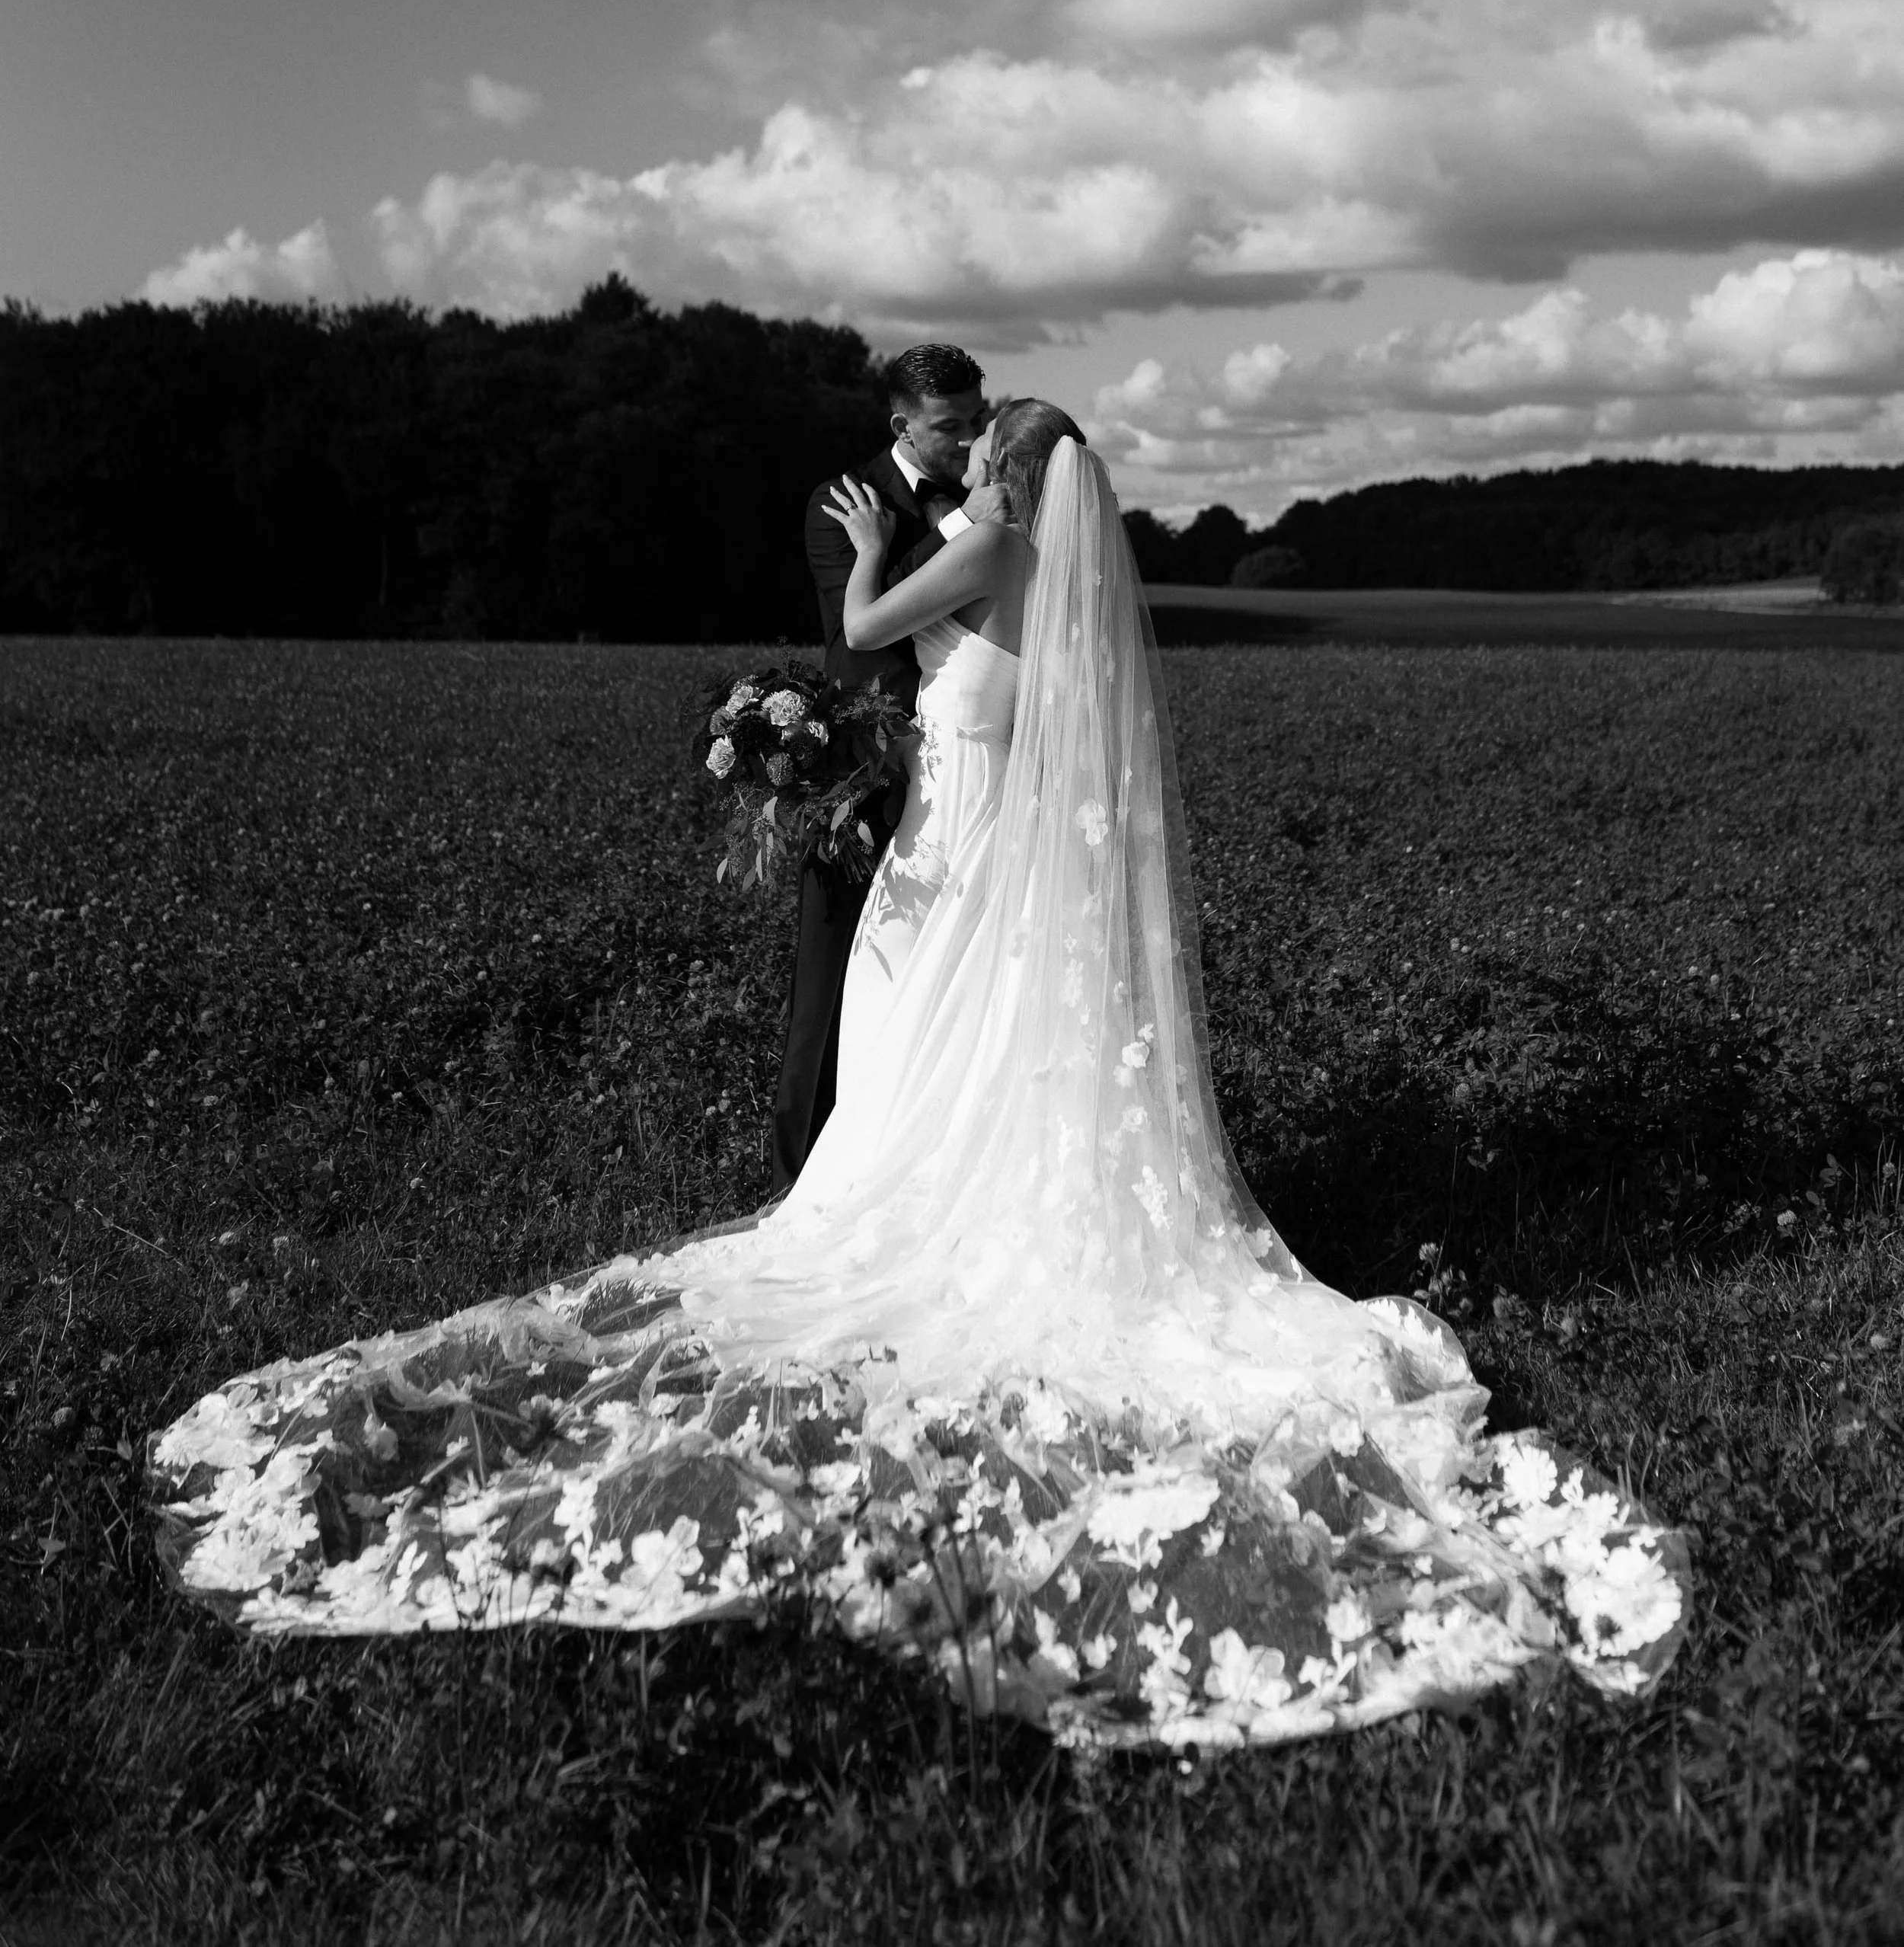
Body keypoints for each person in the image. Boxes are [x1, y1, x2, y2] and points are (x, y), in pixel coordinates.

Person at [153, 410, 1686, 1750]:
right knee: (934, 1055)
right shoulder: (1037, 573)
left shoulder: (983, 553)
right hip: (954, 841)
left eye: (985, 452)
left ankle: (884, 1208)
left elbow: (879, 612)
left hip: (952, 843)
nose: (966, 466)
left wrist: (867, 539)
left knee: (910, 1077)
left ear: (1015, 476)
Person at [772, 342, 988, 1191]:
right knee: (828, 984)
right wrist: (961, 531)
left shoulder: (978, 502)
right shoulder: (843, 502)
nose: (967, 441)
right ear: (901, 424)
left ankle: (910, 1177)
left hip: (960, 772)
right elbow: (878, 621)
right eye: (948, 427)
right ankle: (792, 1184)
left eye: (976, 420)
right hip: (862, 768)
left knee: (935, 982)